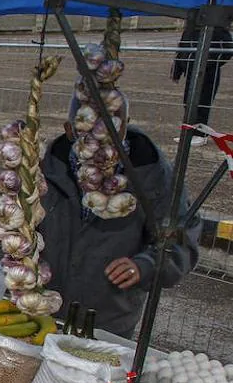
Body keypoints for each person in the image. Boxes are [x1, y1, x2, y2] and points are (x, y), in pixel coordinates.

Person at [43, 105, 202, 339]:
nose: (98, 142)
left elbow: (182, 241)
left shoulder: (151, 174)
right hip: (41, 313)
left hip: (107, 322)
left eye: (109, 130)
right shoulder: (47, 167)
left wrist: (146, 265)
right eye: (87, 132)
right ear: (69, 129)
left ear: (126, 124)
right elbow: (13, 230)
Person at [171, 18, 233, 145]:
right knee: (188, 102)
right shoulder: (191, 28)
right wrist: (177, 70)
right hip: (191, 71)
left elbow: (226, 49)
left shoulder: (216, 28)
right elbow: (182, 48)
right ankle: (188, 133)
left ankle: (200, 134)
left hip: (207, 72)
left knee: (202, 102)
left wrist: (206, 63)